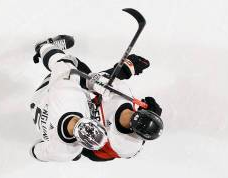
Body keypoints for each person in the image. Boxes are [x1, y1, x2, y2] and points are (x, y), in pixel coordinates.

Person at [30, 35, 163, 162]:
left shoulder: (70, 95)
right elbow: (35, 151)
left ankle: (45, 46)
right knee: (72, 72)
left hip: (50, 96)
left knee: (69, 64)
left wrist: (125, 69)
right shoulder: (67, 151)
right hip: (48, 115)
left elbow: (85, 78)